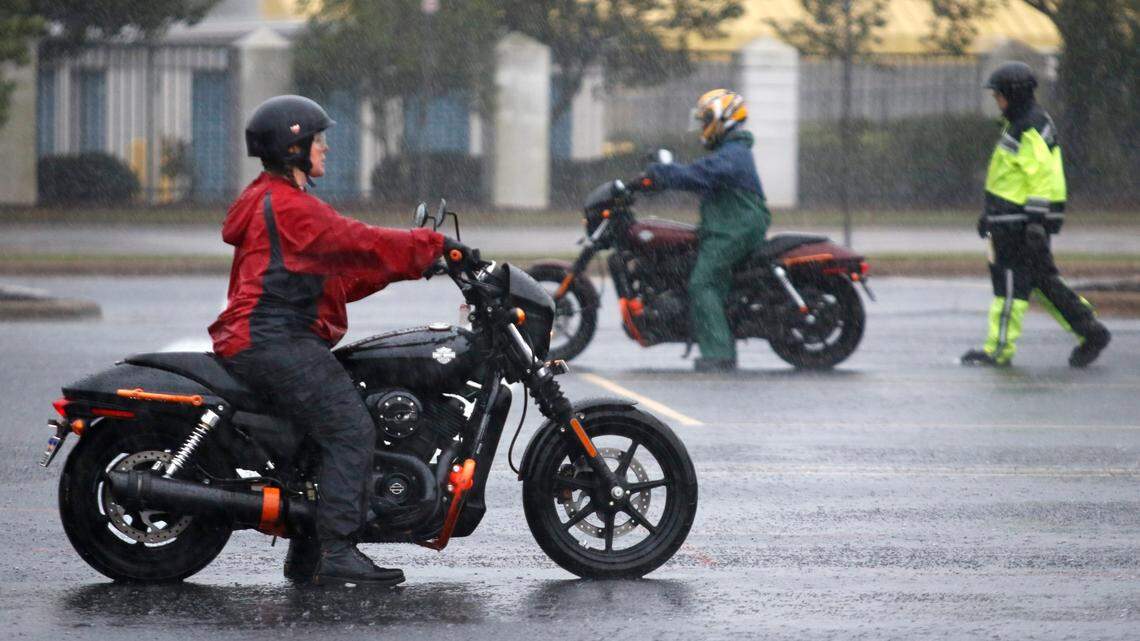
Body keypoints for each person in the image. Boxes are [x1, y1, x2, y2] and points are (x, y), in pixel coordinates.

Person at [208, 95, 461, 586]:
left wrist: (411, 267)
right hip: (271, 339)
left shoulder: (275, 201)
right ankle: (338, 553)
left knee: (322, 434)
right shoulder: (288, 206)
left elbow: (336, 278)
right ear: (293, 146)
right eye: (318, 141)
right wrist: (433, 246)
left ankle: (308, 551)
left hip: (271, 335)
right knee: (350, 429)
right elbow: (359, 239)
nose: (325, 149)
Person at [960, 62, 1110, 368]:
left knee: (1010, 287)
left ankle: (998, 350)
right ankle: (1090, 330)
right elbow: (1011, 178)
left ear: (1013, 95)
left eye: (999, 95)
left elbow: (1039, 175)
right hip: (1011, 218)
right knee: (1043, 282)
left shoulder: (1028, 125)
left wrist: (1035, 222)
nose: (996, 101)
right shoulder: (1025, 122)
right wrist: (990, 215)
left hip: (1018, 222)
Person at [644, 89, 770, 372]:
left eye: (706, 120)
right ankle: (719, 337)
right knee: (707, 278)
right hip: (728, 225)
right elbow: (699, 177)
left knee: (704, 282)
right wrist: (667, 173)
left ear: (722, 120)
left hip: (735, 228)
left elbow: (697, 174)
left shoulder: (733, 154)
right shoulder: (730, 152)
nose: (702, 127)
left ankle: (719, 353)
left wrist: (662, 173)